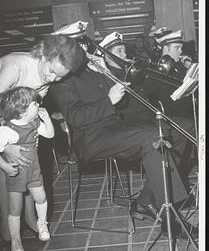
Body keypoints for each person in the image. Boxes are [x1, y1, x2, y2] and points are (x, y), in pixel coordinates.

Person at [49, 24, 197, 239]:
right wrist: (109, 99)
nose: (83, 49)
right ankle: (170, 220)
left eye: (84, 43)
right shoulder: (62, 79)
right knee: (155, 138)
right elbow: (76, 117)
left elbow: (124, 97)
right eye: (79, 44)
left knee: (174, 131)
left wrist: (106, 71)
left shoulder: (93, 68)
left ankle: (146, 201)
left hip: (116, 127)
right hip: (92, 137)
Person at [0, 34, 84, 241]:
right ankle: (7, 222)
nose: (52, 80)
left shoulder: (48, 78)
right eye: (51, 72)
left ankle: (31, 217)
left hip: (15, 106)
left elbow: (31, 115)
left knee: (29, 159)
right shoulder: (17, 66)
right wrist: (5, 147)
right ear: (43, 56)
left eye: (60, 77)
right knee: (6, 160)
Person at [0, 87, 54, 251]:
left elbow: (49, 134)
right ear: (22, 110)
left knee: (41, 198)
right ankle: (16, 239)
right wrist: (4, 166)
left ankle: (42, 224)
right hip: (17, 174)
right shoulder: (6, 130)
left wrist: (47, 120)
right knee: (15, 209)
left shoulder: (33, 123)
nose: (39, 105)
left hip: (34, 171)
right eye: (34, 104)